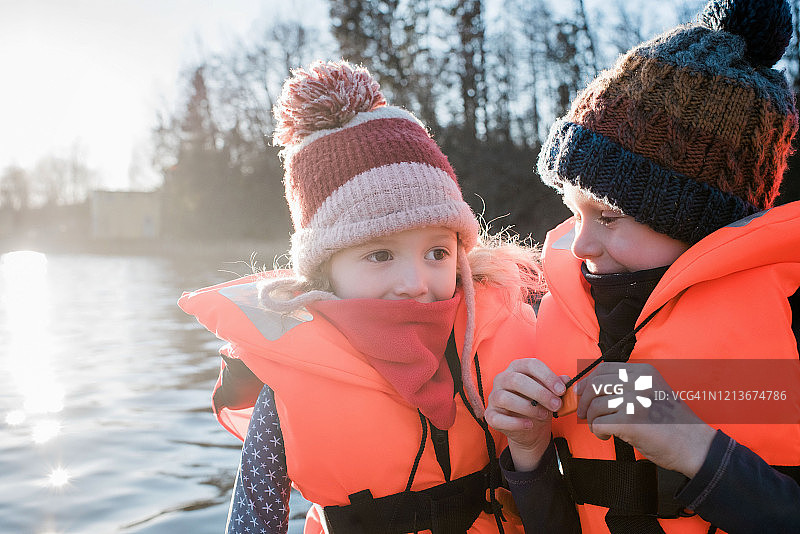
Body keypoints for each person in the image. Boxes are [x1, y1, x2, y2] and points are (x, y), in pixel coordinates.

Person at [179, 60, 552, 534]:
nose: (415, 282)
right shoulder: (287, 377)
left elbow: (629, 392)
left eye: (437, 252)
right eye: (379, 255)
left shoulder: (514, 327)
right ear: (324, 272)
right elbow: (253, 516)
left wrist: (676, 435)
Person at [485, 0, 800, 532]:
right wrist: (529, 453)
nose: (579, 244)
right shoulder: (567, 312)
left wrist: (697, 451)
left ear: (696, 219)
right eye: (575, 211)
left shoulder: (787, 317)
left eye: (609, 217)